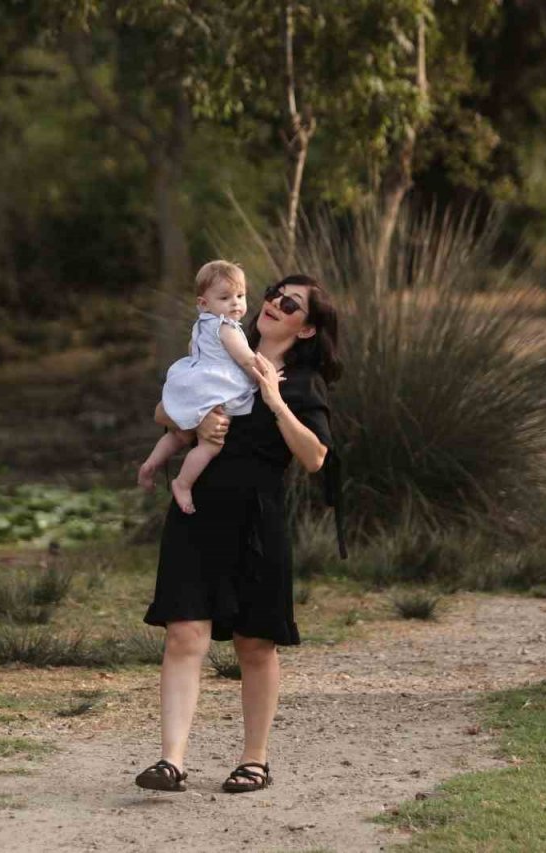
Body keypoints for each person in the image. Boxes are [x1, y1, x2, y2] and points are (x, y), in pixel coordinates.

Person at [136, 273, 342, 794]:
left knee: (255, 643)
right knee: (184, 633)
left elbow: (315, 457)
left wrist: (275, 401)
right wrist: (199, 423)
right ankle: (171, 761)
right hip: (197, 512)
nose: (273, 303)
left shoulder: (302, 383)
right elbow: (165, 408)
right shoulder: (222, 345)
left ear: (308, 328)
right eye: (273, 294)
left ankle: (255, 760)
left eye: (289, 303)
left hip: (257, 520)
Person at [138, 260, 259, 514]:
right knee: (211, 444)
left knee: (181, 434)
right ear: (203, 304)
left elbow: (194, 351)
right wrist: (264, 376)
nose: (236, 303)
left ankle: (151, 464)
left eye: (240, 295)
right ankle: (182, 483)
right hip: (215, 390)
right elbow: (247, 359)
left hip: (195, 383)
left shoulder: (201, 325)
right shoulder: (227, 328)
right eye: (225, 297)